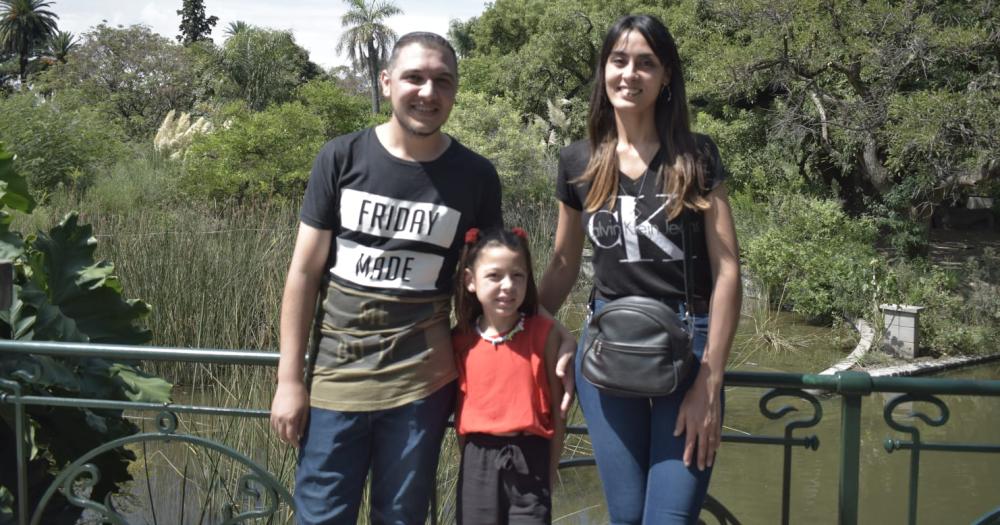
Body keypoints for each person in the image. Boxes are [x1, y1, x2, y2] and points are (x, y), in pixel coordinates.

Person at [268, 32, 503, 524]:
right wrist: (289, 380)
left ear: (455, 91)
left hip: (422, 385)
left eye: (442, 81)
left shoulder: (475, 176)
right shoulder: (341, 157)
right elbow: (305, 272)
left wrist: (539, 340)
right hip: (335, 381)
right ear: (386, 80)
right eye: (414, 77)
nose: (428, 92)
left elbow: (488, 283)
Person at [537, 14, 742, 525]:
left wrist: (710, 383)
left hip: (688, 348)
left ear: (666, 75)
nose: (630, 74)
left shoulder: (696, 157)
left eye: (646, 63)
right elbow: (563, 263)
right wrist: (530, 327)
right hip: (607, 349)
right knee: (625, 518)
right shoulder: (579, 161)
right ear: (604, 70)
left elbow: (728, 271)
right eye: (619, 61)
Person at [452, 227, 566, 525]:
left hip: (531, 459)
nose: (508, 286)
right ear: (470, 281)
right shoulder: (461, 340)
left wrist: (550, 470)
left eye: (518, 276)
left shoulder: (544, 334)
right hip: (478, 460)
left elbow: (557, 411)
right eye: (494, 276)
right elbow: (459, 415)